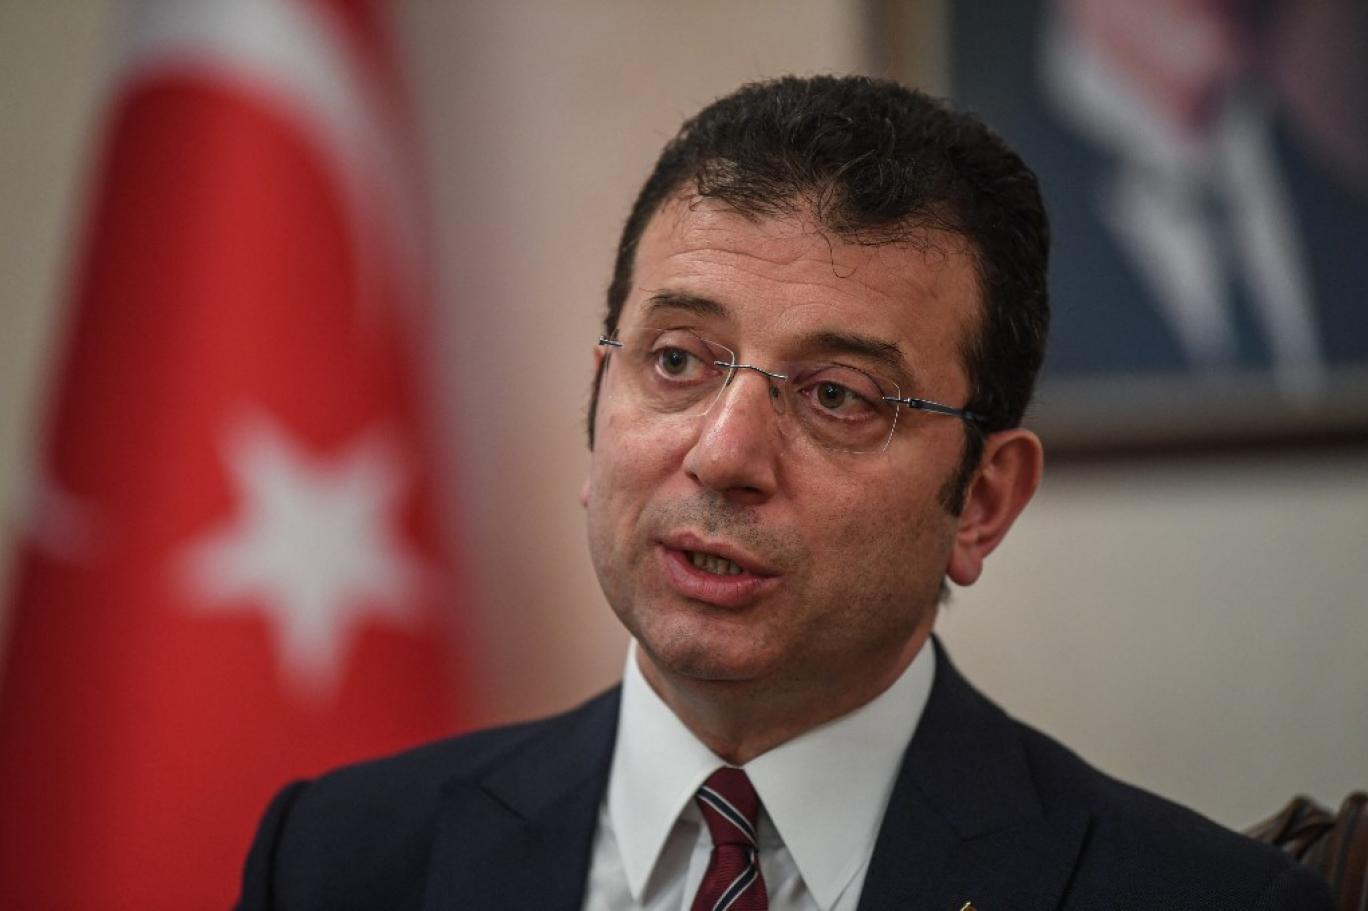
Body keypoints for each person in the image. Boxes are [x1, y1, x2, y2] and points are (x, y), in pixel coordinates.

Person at [236, 75, 1331, 910]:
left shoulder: (1203, 898)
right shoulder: (339, 857)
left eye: (839, 395)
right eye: (676, 359)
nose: (724, 454)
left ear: (983, 501)